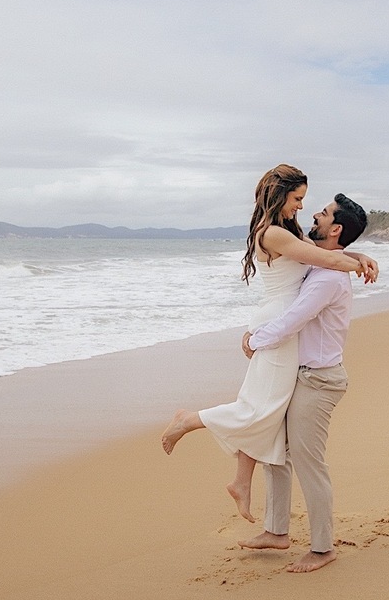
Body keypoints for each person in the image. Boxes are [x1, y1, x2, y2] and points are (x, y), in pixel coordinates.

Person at [161, 165, 376, 524]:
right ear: (281, 194)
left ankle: (242, 483)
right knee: (259, 408)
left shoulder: (287, 230)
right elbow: (324, 258)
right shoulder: (273, 233)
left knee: (268, 410)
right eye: (298, 198)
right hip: (278, 327)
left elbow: (321, 252)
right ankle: (190, 420)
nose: (302, 207)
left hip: (279, 326)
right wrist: (358, 262)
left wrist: (359, 257)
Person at [238, 193, 368, 572]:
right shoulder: (320, 264)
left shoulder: (327, 279)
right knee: (277, 450)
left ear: (336, 229)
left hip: (319, 381)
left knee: (310, 464)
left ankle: (323, 548)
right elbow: (309, 255)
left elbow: (293, 319)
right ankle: (276, 530)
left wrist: (254, 340)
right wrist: (360, 256)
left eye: (323, 213)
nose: (314, 214)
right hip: (302, 374)